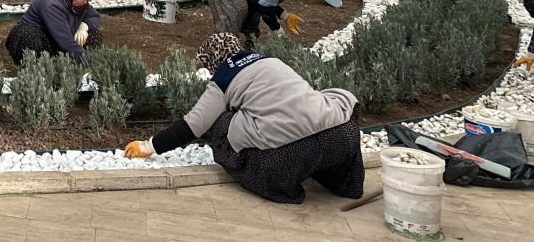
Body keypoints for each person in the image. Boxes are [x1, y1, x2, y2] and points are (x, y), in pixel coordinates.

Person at [123, 32, 363, 205]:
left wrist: (148, 146)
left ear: (211, 62)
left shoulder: (223, 79)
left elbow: (193, 126)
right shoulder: (270, 60)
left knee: (222, 123)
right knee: (315, 112)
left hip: (291, 155)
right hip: (341, 136)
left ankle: (283, 188)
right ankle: (347, 185)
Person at [5, 0, 103, 66]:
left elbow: (94, 17)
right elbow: (65, 40)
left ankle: (74, 70)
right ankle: (36, 73)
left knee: (94, 33)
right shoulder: (52, 5)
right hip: (39, 42)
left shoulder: (78, 3)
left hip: (56, 42)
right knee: (29, 34)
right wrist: (91, 63)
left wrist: (84, 26)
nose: (85, 1)